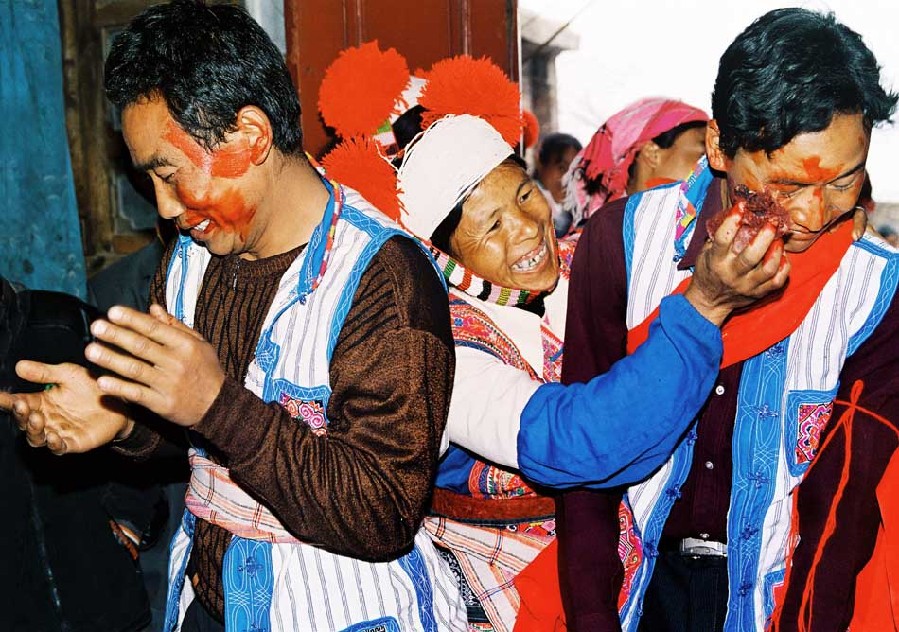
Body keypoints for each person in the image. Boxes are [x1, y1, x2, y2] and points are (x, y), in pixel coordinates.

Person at [0, 2, 465, 631]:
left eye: (169, 173)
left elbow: (383, 512)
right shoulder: (192, 260)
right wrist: (119, 420)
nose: (163, 208)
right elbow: (193, 440)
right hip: (209, 604)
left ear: (250, 136)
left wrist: (218, 403)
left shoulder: (383, 277)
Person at [558, 8, 899, 631]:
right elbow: (585, 464)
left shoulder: (874, 289)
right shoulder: (623, 244)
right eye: (786, 184)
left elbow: (840, 519)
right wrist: (591, 619)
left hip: (773, 598)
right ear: (718, 146)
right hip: (633, 588)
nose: (815, 214)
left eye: (844, 181)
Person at [563, 97, 708, 231]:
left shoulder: (699, 237)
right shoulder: (591, 244)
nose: (711, 167)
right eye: (703, 156)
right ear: (652, 154)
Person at [532, 132, 582, 237]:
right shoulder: (526, 208)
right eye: (562, 168)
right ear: (540, 162)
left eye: (574, 172)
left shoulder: (572, 216)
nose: (567, 179)